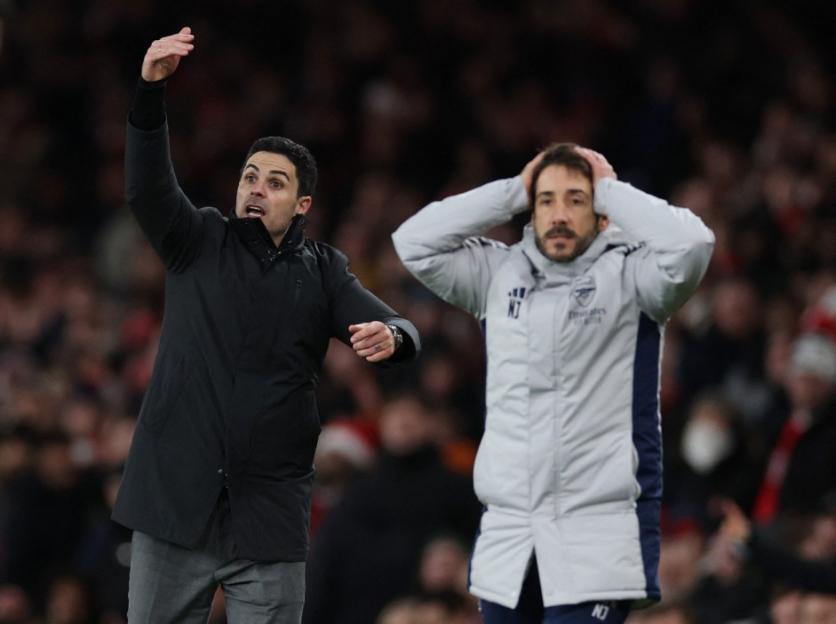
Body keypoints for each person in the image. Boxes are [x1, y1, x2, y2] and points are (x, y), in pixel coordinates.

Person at [111, 28, 420, 624]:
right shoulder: (196, 238)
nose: (256, 190)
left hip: (268, 516)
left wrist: (396, 336)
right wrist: (150, 91)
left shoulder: (325, 271)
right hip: (175, 503)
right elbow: (145, 186)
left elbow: (401, 328)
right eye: (250, 177)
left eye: (274, 183)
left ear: (302, 205)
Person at [392, 143, 714, 622]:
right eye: (546, 200)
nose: (559, 213)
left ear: (602, 212)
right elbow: (414, 241)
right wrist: (511, 190)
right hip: (509, 532)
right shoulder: (498, 274)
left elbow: (692, 245)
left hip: (597, 531)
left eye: (576, 200)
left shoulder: (635, 277)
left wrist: (611, 189)